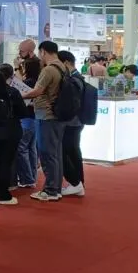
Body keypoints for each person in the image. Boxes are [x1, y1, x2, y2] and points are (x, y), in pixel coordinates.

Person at [20, 41, 66, 202]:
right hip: (57, 115)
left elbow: (37, 91)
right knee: (55, 153)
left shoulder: (48, 70)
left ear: (43, 51)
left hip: (46, 115)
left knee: (47, 153)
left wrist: (20, 95)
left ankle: (51, 190)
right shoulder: (62, 67)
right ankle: (55, 188)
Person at [0, 64, 23, 206]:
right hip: (11, 129)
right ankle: (3, 194)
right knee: (6, 162)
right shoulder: (13, 92)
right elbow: (22, 111)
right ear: (11, 76)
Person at [58, 51, 87, 197]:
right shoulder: (77, 78)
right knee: (74, 152)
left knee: (66, 152)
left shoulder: (73, 79)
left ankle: (76, 183)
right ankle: (78, 183)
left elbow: (72, 103)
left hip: (72, 121)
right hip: (76, 121)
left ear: (66, 63)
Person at [14, 56, 41, 188]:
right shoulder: (38, 81)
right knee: (31, 148)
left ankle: (27, 178)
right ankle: (31, 177)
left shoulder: (29, 82)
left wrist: (16, 68)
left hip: (27, 118)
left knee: (22, 148)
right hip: (34, 118)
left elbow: (21, 89)